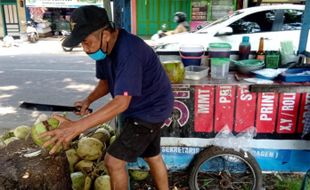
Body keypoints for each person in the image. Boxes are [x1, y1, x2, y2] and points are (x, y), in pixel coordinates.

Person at [40, 5, 174, 190]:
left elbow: (121, 102)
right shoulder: (104, 50)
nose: (85, 49)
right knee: (152, 155)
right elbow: (106, 82)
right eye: (82, 44)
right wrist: (88, 100)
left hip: (150, 110)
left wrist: (77, 126)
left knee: (113, 162)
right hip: (141, 106)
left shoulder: (129, 52)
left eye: (87, 42)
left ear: (106, 34)